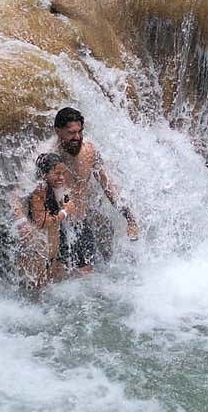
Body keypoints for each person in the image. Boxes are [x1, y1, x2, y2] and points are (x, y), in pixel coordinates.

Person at [46, 106, 139, 273]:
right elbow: (27, 193)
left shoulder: (89, 151)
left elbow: (107, 185)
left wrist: (129, 218)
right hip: (57, 228)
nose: (77, 137)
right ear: (58, 131)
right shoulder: (48, 157)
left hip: (81, 225)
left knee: (87, 277)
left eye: (79, 132)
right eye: (71, 133)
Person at [12, 153, 73, 288]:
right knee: (36, 299)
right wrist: (63, 213)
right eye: (57, 173)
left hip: (51, 255)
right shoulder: (39, 191)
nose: (61, 177)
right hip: (36, 255)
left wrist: (67, 205)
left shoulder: (56, 188)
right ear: (45, 174)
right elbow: (41, 222)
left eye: (63, 173)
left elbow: (69, 201)